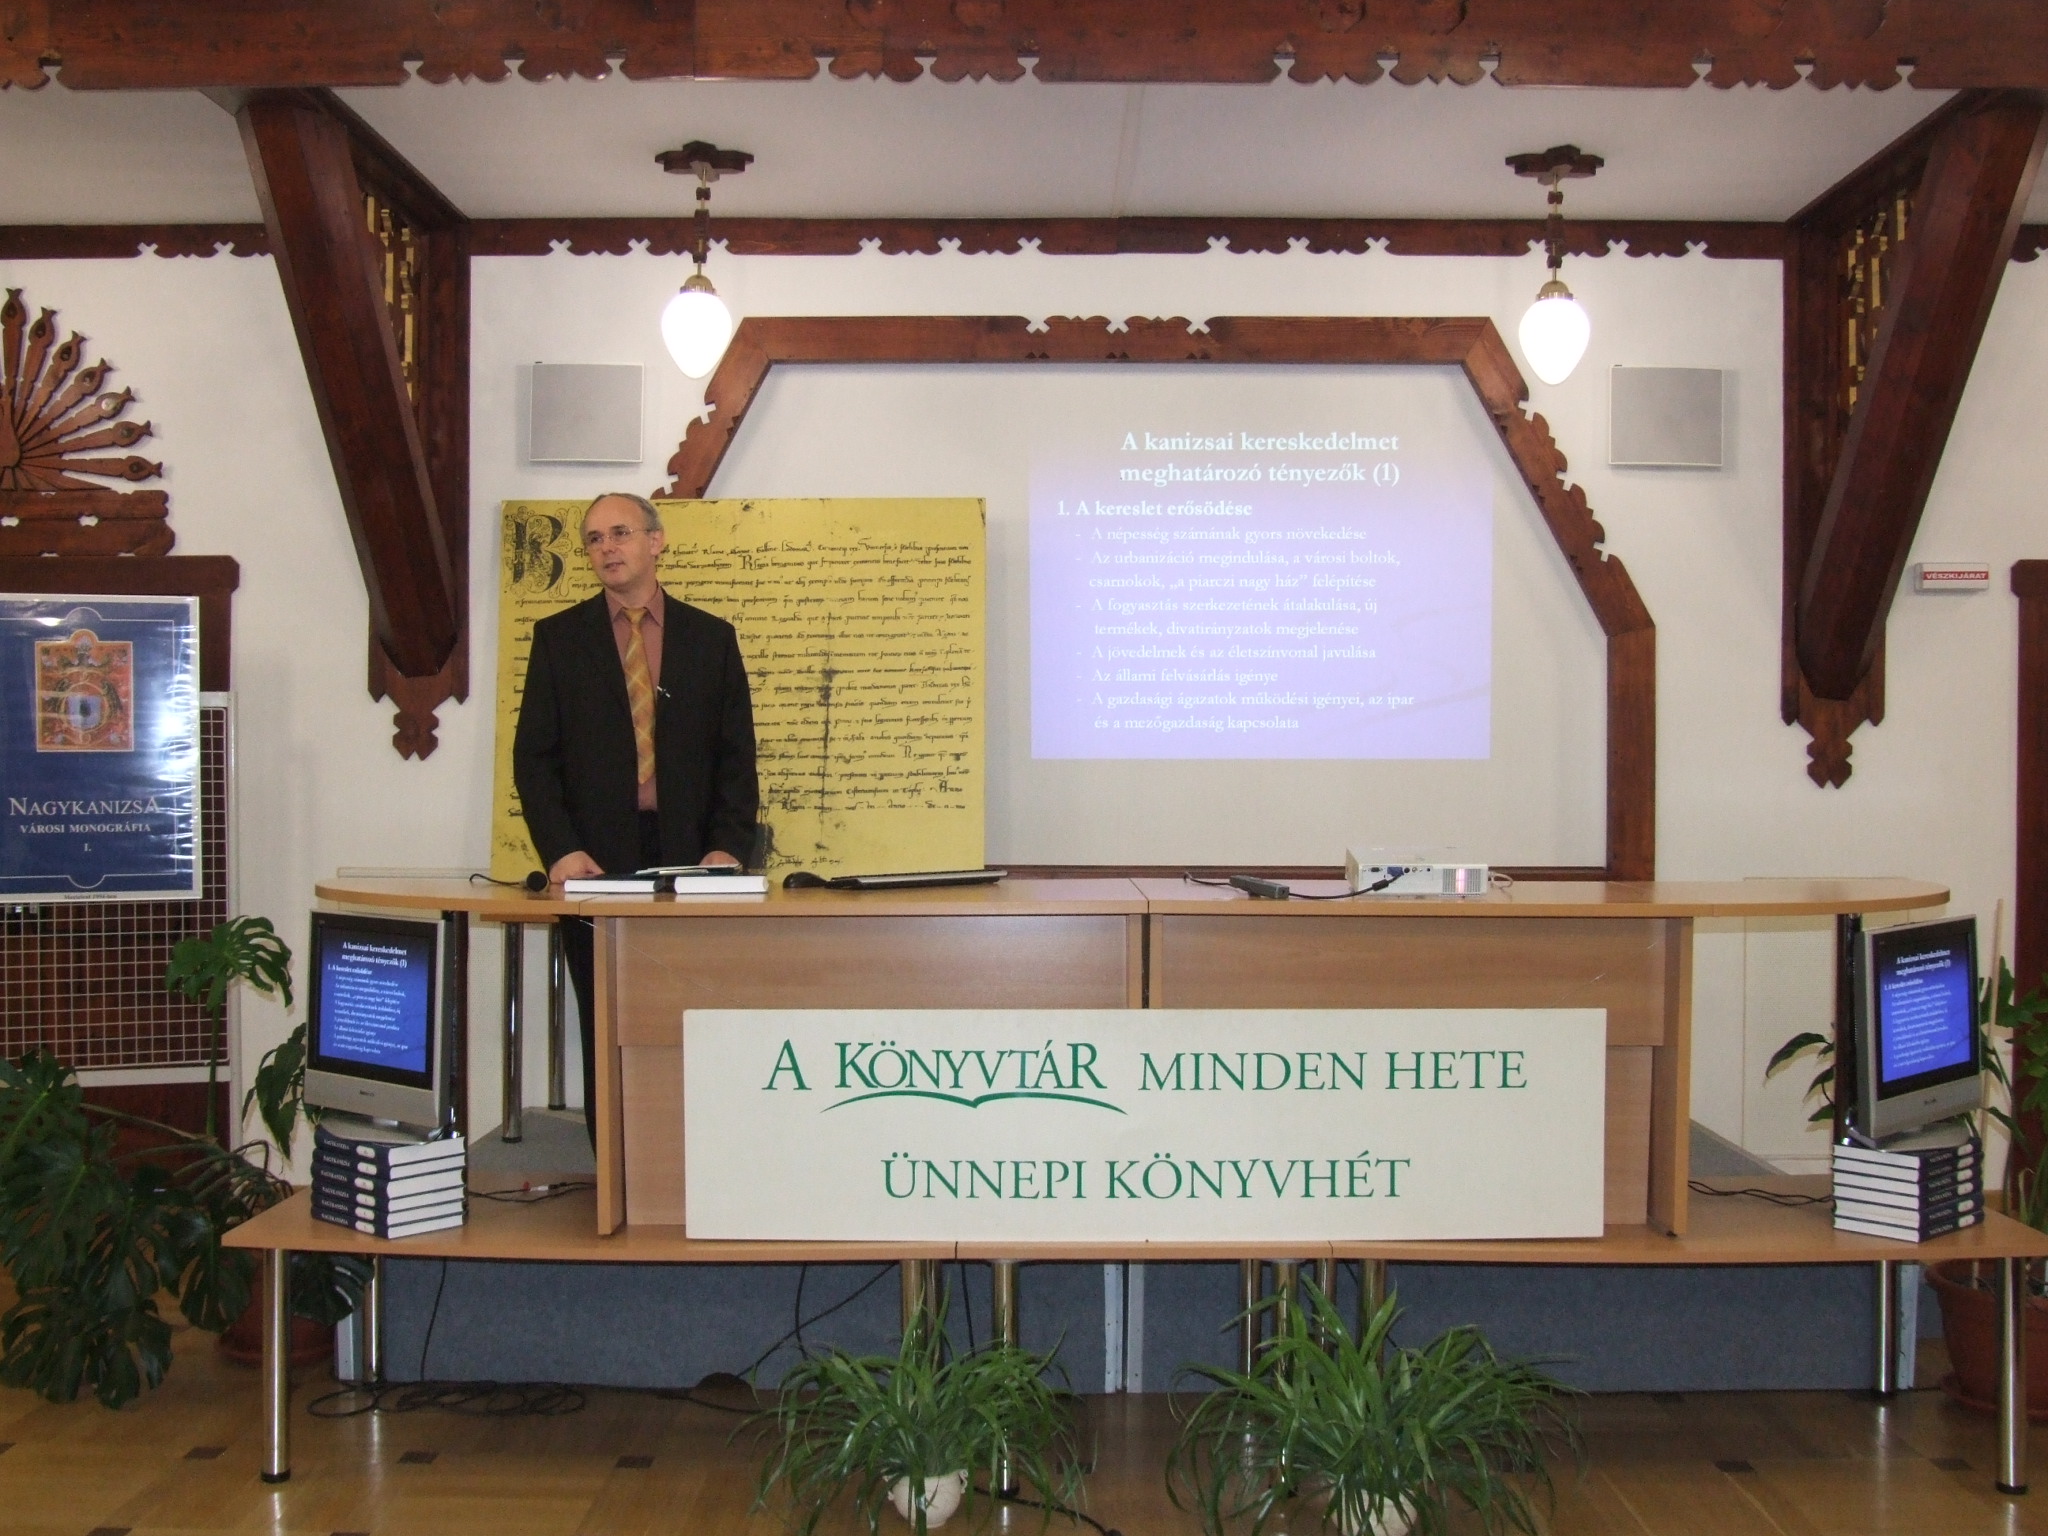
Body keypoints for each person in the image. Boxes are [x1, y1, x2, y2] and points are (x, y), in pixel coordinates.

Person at [513, 491, 759, 1142]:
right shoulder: (559, 639)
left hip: (693, 864)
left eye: (619, 533)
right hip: (595, 865)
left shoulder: (710, 638)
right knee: (606, 1024)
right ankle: (614, 1176)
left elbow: (737, 758)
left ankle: (696, 1165)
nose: (606, 549)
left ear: (656, 541)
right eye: (594, 540)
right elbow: (534, 759)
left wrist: (728, 848)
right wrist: (560, 850)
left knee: (692, 1021)